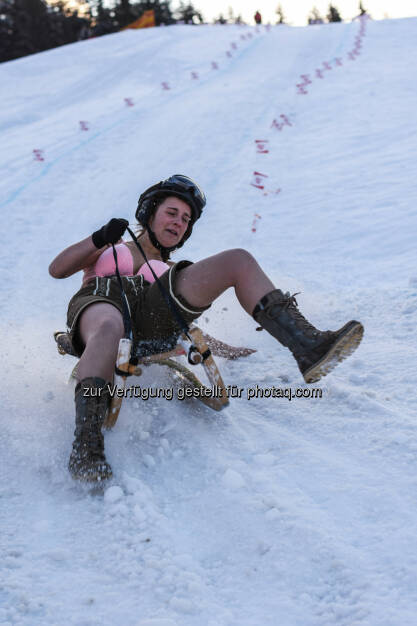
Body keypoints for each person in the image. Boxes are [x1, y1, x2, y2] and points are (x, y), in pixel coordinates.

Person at [49, 175, 363, 482]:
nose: (178, 222)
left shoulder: (172, 273)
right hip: (102, 303)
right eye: (171, 213)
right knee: (109, 325)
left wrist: (225, 349)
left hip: (151, 324)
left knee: (237, 259)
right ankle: (86, 448)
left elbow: (188, 332)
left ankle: (308, 346)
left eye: (186, 219)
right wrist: (100, 237)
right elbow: (57, 269)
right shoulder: (110, 246)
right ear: (150, 213)